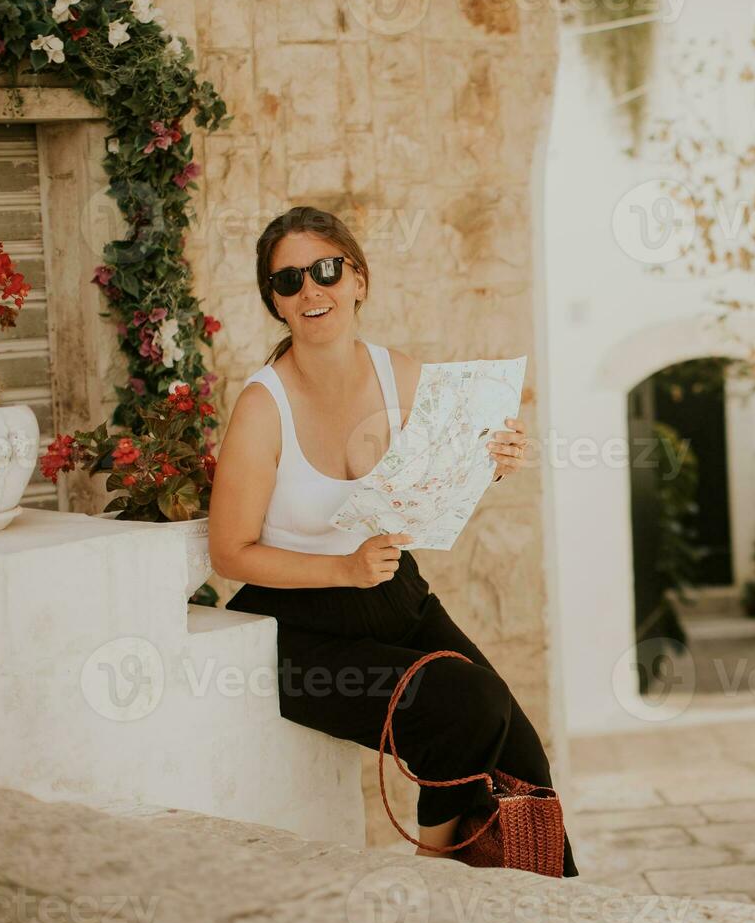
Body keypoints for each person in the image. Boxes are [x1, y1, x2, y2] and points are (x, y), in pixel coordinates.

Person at [208, 205, 577, 877]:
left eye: (325, 270)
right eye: (288, 281)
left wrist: (492, 461)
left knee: (522, 754)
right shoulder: (263, 407)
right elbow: (230, 553)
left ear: (358, 280)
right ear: (276, 305)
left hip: (392, 594)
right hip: (297, 625)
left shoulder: (399, 376)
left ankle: (531, 909)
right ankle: (433, 872)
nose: (310, 291)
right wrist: (343, 571)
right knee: (466, 702)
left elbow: (436, 482)